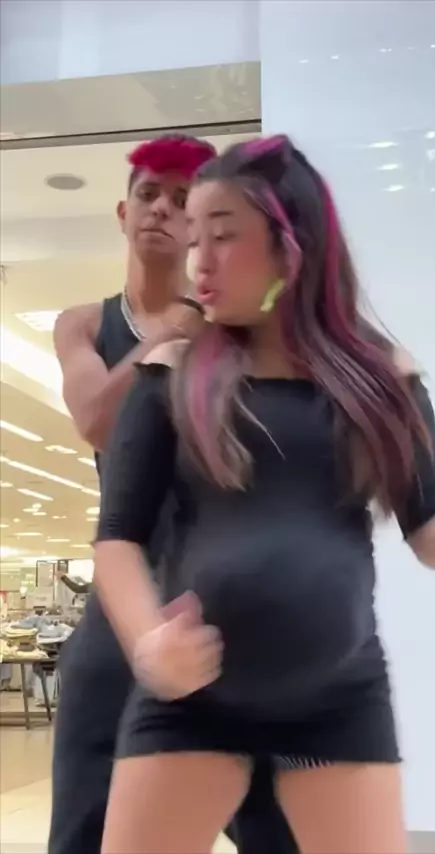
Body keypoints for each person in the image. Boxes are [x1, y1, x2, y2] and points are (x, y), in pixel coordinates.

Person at [94, 134, 435, 854]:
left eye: (223, 235)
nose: (199, 261)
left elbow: (434, 533)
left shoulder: (384, 381)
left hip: (339, 699)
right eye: (194, 239)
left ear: (291, 242)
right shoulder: (171, 373)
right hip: (191, 700)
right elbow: (117, 536)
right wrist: (148, 645)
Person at [49, 134, 297, 854]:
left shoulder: (244, 335)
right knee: (85, 834)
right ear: (123, 213)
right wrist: (183, 319)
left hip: (226, 618)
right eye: (149, 194)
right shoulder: (85, 324)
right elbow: (98, 422)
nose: (162, 208)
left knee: (281, 832)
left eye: (184, 199)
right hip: (118, 622)